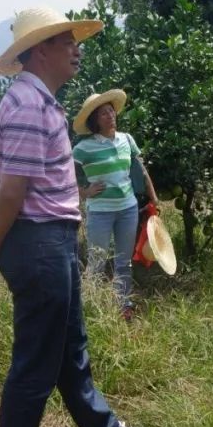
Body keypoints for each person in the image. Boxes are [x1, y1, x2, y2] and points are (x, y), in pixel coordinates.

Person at [0, 7, 142, 427]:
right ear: (41, 48)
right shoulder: (26, 104)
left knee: (68, 347)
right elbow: (11, 191)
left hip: (52, 238)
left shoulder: (40, 101)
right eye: (68, 42)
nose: (77, 49)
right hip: (37, 240)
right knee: (37, 358)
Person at [72, 89, 159, 322]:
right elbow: (64, 177)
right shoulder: (83, 147)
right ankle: (90, 305)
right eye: (103, 113)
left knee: (123, 260)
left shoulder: (127, 139)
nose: (110, 115)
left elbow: (140, 169)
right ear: (94, 121)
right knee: (97, 260)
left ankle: (124, 304)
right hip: (100, 211)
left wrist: (154, 198)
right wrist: (85, 191)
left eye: (111, 111)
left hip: (127, 209)